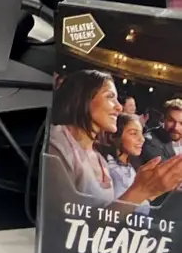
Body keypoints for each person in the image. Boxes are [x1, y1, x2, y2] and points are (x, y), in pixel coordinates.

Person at [44, 70, 182, 211]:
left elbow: (107, 217)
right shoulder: (57, 141)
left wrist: (149, 192)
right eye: (110, 97)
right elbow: (62, 221)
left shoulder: (99, 159)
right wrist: (140, 191)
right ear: (82, 97)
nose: (119, 107)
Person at [103, 113, 147, 200]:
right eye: (133, 133)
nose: (142, 139)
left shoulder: (131, 165)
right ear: (114, 136)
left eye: (141, 133)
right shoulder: (108, 167)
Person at [142, 97, 182, 166]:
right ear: (163, 119)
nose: (176, 127)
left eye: (181, 123)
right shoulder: (150, 141)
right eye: (171, 120)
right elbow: (169, 172)